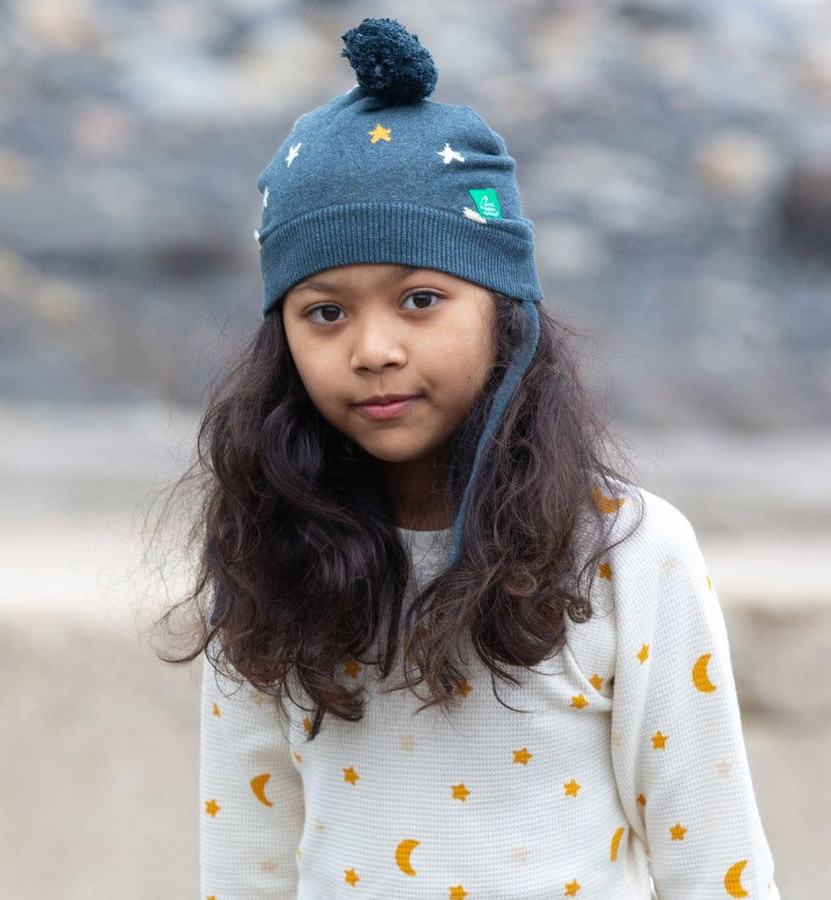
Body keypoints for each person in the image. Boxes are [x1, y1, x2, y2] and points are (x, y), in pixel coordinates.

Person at [179, 17, 779, 899]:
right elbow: (245, 861)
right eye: (326, 312)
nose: (373, 348)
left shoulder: (625, 553)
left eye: (420, 299)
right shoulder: (270, 553)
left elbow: (714, 859)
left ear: (505, 313)